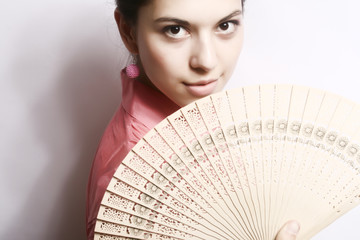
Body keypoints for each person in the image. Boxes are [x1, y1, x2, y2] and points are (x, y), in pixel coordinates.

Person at [86, 0, 300, 239]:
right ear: (128, 31)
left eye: (226, 25)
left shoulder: (191, 115)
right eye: (175, 29)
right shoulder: (135, 179)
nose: (207, 61)